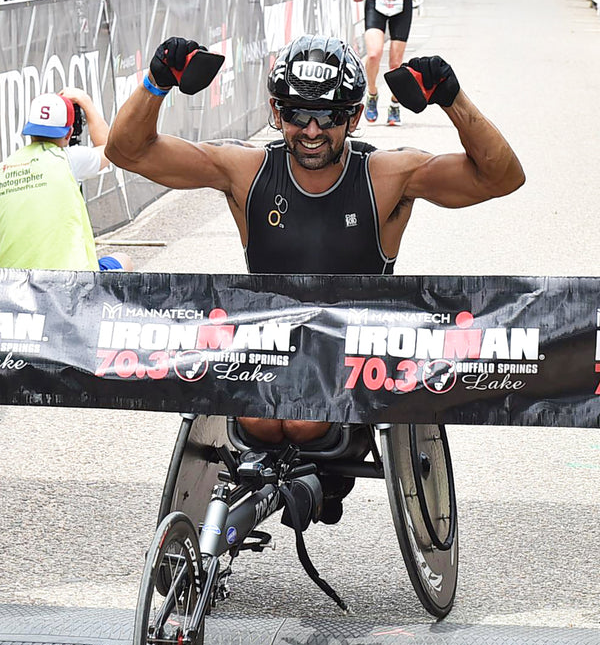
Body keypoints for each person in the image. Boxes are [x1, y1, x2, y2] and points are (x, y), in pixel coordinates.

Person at [105, 33, 524, 515]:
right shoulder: (247, 169)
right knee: (260, 423)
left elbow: (501, 177)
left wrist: (452, 98)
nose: (310, 130)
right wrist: (157, 81)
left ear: (353, 116)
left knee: (302, 424)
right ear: (275, 110)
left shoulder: (388, 175)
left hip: (350, 363)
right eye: (295, 114)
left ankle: (314, 480)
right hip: (269, 353)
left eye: (327, 117)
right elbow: (128, 152)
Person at [0, 88, 132, 271]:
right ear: (69, 133)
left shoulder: (5, 167)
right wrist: (86, 102)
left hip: (12, 282)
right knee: (124, 260)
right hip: (70, 283)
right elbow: (110, 149)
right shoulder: (69, 159)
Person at [347, 0, 435, 125]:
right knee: (374, 54)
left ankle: (395, 103)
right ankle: (372, 93)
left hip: (402, 3)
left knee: (395, 63)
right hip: (375, 1)